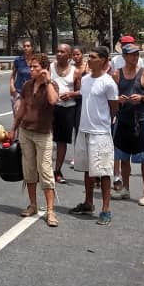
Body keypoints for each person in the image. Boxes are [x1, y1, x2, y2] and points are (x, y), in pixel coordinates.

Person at [67, 47, 119, 225]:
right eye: (90, 56)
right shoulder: (86, 79)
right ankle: (88, 203)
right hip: (84, 131)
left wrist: (104, 122)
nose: (90, 59)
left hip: (101, 133)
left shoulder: (109, 83)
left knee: (103, 171)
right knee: (87, 169)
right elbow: (83, 96)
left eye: (94, 57)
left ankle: (106, 209)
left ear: (104, 61)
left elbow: (114, 107)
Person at [10, 53, 59, 227]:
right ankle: (33, 204)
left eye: (35, 67)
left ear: (44, 69)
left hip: (43, 134)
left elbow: (53, 101)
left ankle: (51, 210)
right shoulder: (27, 86)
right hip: (26, 132)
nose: (31, 70)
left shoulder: (51, 86)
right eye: (30, 67)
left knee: (45, 171)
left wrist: (47, 81)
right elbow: (22, 108)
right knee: (29, 170)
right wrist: (14, 128)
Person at [112, 42, 144, 206]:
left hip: (140, 121)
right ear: (124, 56)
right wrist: (118, 99)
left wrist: (142, 98)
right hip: (123, 120)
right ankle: (126, 188)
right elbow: (112, 96)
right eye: (131, 54)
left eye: (137, 54)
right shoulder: (117, 74)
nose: (135, 57)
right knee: (123, 157)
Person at [50, 43, 81, 182]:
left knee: (61, 141)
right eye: (57, 51)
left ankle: (57, 170)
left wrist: (70, 94)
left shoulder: (75, 71)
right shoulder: (50, 67)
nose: (59, 54)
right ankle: (44, 170)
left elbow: (81, 92)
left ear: (69, 56)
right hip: (51, 108)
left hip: (68, 109)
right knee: (47, 139)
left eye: (62, 52)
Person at [9, 39, 34, 115]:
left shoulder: (36, 60)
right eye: (24, 46)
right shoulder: (18, 60)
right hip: (19, 93)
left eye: (28, 46)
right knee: (18, 117)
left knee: (29, 118)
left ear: (32, 48)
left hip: (32, 94)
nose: (26, 48)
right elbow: (13, 75)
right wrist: (12, 87)